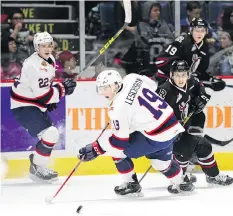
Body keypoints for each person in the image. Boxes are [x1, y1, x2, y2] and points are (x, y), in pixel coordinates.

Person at [77, 69, 195, 195]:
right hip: (172, 125)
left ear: (116, 85)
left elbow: (119, 143)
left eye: (105, 88)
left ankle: (131, 184)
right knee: (160, 162)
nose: (102, 92)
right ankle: (182, 183)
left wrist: (96, 148)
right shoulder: (132, 77)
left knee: (117, 152)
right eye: (100, 89)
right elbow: (153, 86)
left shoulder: (118, 109)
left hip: (157, 135)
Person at [10, 32, 77, 183]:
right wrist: (62, 89)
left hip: (32, 103)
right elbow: (44, 96)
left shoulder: (50, 59)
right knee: (51, 133)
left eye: (49, 45)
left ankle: (37, 164)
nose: (47, 49)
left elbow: (44, 90)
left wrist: (53, 96)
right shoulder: (34, 66)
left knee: (50, 134)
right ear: (36, 47)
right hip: (24, 105)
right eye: (43, 46)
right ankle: (37, 168)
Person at [156, 60, 233, 186]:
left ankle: (208, 176)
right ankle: (179, 179)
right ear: (171, 75)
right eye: (177, 75)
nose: (181, 79)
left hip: (181, 131)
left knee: (202, 146)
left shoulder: (191, 82)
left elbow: (200, 86)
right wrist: (170, 128)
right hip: (166, 136)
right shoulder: (163, 92)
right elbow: (153, 118)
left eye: (184, 75)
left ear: (188, 74)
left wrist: (201, 98)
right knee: (187, 151)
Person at [155, 17, 226, 137]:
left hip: (186, 84)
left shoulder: (204, 47)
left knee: (198, 110)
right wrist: (177, 74)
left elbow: (199, 73)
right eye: (197, 30)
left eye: (202, 30)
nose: (199, 33)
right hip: (170, 84)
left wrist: (212, 81)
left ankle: (193, 143)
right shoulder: (182, 42)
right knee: (174, 113)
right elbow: (160, 62)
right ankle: (171, 139)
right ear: (191, 30)